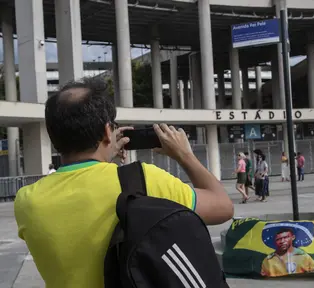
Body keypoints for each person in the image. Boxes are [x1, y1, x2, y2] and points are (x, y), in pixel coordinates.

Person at [13, 78, 233, 288]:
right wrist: (185, 155)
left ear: (53, 136)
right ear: (109, 131)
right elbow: (222, 207)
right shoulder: (142, 179)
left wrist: (104, 153)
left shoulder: (27, 200)